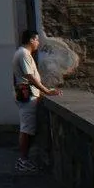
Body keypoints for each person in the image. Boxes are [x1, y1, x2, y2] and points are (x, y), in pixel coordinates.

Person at [12, 29, 60, 172]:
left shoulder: (22, 53)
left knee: (29, 128)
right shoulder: (23, 54)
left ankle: (24, 159)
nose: (38, 43)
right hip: (27, 96)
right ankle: (23, 160)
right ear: (31, 40)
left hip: (28, 95)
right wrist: (46, 90)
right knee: (27, 129)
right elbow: (30, 77)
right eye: (37, 40)